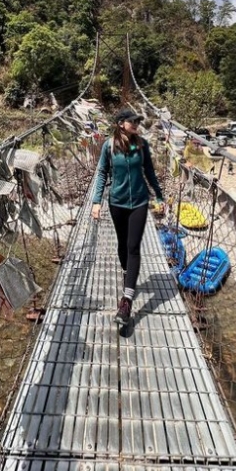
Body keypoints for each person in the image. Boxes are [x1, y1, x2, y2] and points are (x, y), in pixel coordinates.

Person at [91, 108, 164, 325]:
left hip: (140, 202)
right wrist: (96, 201)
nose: (137, 124)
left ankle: (127, 301)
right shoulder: (109, 145)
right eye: (133, 121)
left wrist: (159, 196)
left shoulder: (142, 144)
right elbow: (102, 172)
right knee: (122, 245)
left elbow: (149, 171)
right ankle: (127, 273)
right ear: (121, 123)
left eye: (138, 121)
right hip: (117, 202)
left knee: (133, 247)